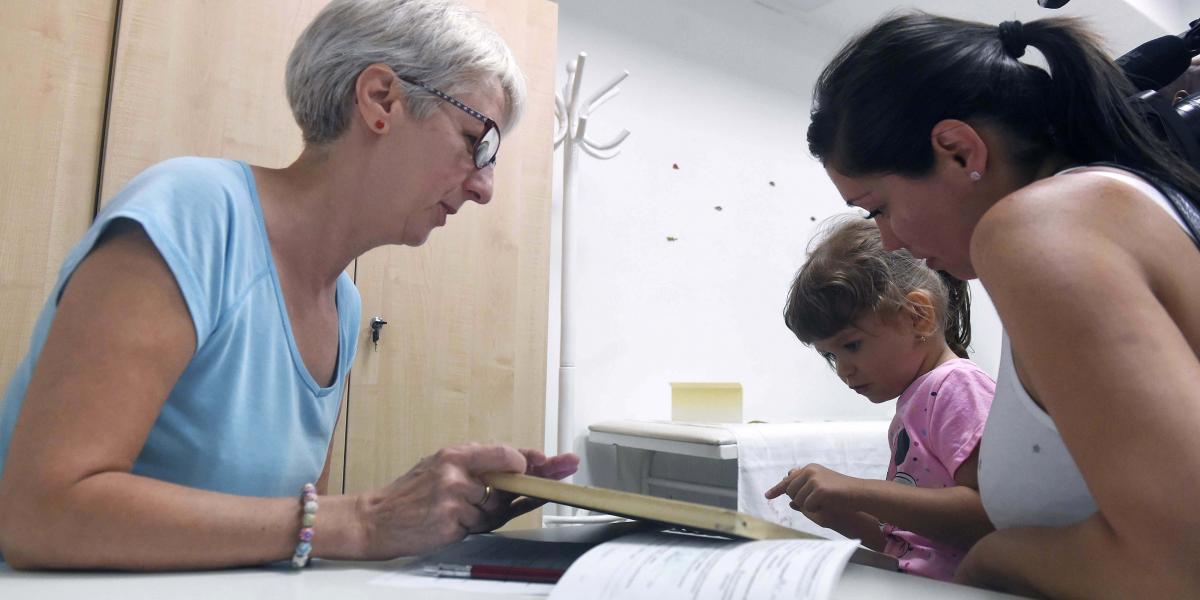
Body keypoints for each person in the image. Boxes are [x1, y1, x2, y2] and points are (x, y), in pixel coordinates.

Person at [0, 0, 577, 570]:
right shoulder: (194, 213)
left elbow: (294, 534)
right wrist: (368, 519)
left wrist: (440, 508)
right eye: (478, 141)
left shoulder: (343, 307)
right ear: (382, 100)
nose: (485, 188)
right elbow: (41, 512)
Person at [806, 11, 1200, 597]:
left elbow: (1178, 566)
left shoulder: (1036, 228)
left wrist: (987, 564)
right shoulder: (1115, 202)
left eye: (878, 206)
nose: (886, 240)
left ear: (960, 151)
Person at [766, 217, 994, 581]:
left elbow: (990, 518)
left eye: (851, 346)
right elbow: (910, 543)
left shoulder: (958, 386)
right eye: (831, 356)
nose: (844, 370)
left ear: (917, 317)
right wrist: (843, 514)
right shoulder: (916, 402)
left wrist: (858, 491)